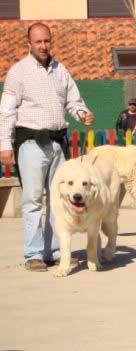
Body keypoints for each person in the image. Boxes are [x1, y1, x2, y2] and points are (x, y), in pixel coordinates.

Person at [0, 22, 94, 272]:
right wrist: (4, 145)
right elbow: (6, 112)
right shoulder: (17, 73)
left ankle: (54, 251)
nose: (43, 46)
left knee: (58, 198)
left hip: (58, 143)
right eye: (38, 41)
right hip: (30, 143)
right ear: (28, 43)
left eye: (47, 41)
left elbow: (74, 101)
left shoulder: (60, 70)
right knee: (32, 200)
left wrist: (82, 113)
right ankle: (33, 253)